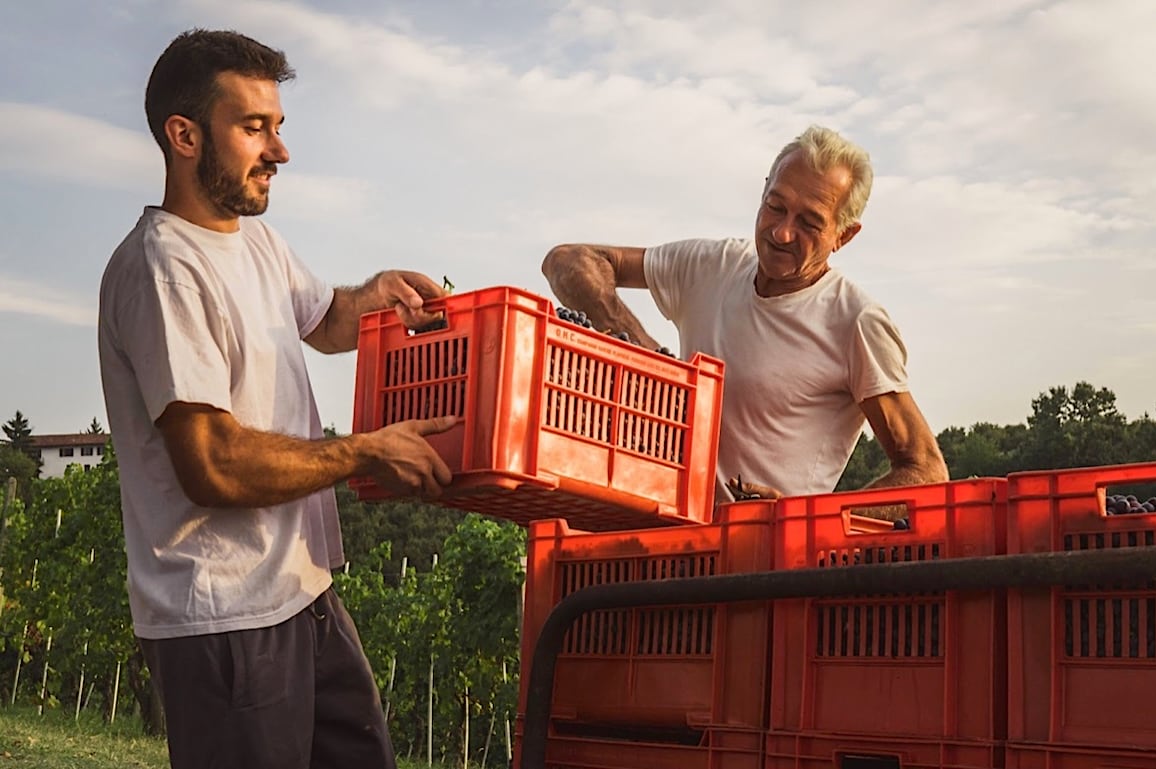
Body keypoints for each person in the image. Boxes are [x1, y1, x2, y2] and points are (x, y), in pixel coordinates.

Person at [97, 29, 454, 769]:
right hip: (222, 617)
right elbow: (214, 465)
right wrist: (365, 448)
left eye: (278, 126)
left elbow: (323, 319)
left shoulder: (255, 242)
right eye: (254, 128)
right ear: (184, 135)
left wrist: (376, 296)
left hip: (302, 592)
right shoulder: (163, 272)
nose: (279, 151)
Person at [542, 125, 948, 504]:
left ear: (843, 235)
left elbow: (926, 471)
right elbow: (568, 260)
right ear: (764, 191)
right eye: (776, 206)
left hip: (759, 567)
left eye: (809, 223)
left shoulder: (855, 321)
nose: (782, 232)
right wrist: (636, 345)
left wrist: (799, 519)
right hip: (664, 525)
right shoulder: (710, 266)